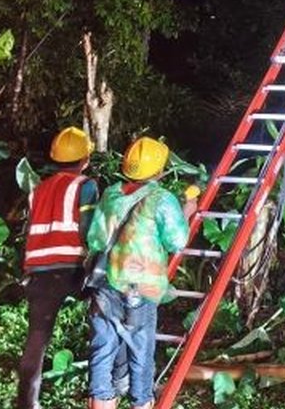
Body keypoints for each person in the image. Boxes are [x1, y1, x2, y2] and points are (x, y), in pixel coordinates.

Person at [86, 137, 196, 409]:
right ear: (159, 170)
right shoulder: (161, 199)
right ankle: (141, 402)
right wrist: (187, 211)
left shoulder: (111, 194)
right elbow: (177, 241)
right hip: (142, 287)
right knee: (140, 351)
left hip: (106, 283)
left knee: (103, 350)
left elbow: (96, 240)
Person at [16, 127, 99, 409]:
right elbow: (89, 229)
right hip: (72, 268)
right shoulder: (85, 186)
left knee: (37, 338)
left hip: (39, 271)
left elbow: (30, 231)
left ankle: (27, 402)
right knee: (104, 320)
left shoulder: (38, 189)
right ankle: (105, 391)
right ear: (85, 159)